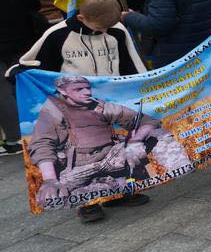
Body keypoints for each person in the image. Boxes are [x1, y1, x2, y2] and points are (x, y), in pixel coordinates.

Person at [28, 75, 160, 222]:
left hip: (110, 158)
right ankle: (88, 205)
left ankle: (118, 195)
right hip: (78, 168)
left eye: (88, 88)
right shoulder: (53, 112)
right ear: (62, 91)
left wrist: (136, 140)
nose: (87, 92)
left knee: (159, 136)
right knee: (52, 199)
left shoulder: (99, 106)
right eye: (79, 89)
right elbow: (41, 145)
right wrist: (50, 180)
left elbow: (147, 121)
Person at [14, 0, 144, 77]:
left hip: (113, 94)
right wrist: (19, 74)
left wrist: (140, 84)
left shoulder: (116, 29)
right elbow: (39, 63)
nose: (105, 31)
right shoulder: (57, 34)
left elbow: (130, 61)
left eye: (108, 27)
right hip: (75, 98)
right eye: (99, 27)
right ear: (81, 18)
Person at [1, 0, 46, 155]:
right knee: (24, 86)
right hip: (25, 40)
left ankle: (14, 139)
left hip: (5, 42)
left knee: (2, 91)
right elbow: (34, 8)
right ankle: (37, 132)